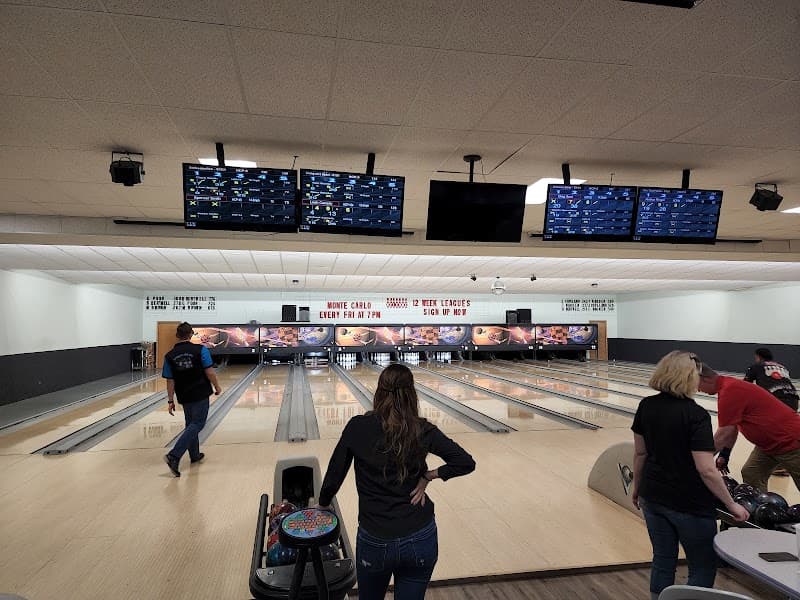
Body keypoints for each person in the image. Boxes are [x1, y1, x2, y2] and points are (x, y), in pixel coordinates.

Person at [316, 363, 475, 600]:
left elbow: (334, 474)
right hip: (420, 536)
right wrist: (429, 476)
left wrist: (323, 502)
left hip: (375, 538)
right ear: (411, 394)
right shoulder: (422, 429)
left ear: (379, 392)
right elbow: (465, 462)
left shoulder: (357, 427)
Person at [631, 351, 748, 600]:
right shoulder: (696, 415)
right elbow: (706, 469)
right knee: (703, 564)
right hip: (689, 503)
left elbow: (640, 454)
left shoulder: (646, 406)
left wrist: (636, 487)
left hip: (652, 497)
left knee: (663, 559)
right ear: (688, 378)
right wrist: (731, 504)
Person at [699, 363, 800, 492]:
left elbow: (724, 433)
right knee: (752, 473)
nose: (697, 390)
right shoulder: (727, 388)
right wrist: (725, 454)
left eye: (696, 385)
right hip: (769, 444)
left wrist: (702, 461)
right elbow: (732, 428)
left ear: (704, 379)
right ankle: (761, 508)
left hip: (791, 441)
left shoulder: (730, 390)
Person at [162, 322, 222, 477]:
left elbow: (170, 380)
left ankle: (194, 455)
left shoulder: (169, 356)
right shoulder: (200, 349)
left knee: (191, 424)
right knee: (198, 423)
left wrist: (170, 400)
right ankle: (174, 456)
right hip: (200, 392)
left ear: (177, 335)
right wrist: (217, 387)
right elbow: (209, 372)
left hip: (183, 394)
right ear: (190, 334)